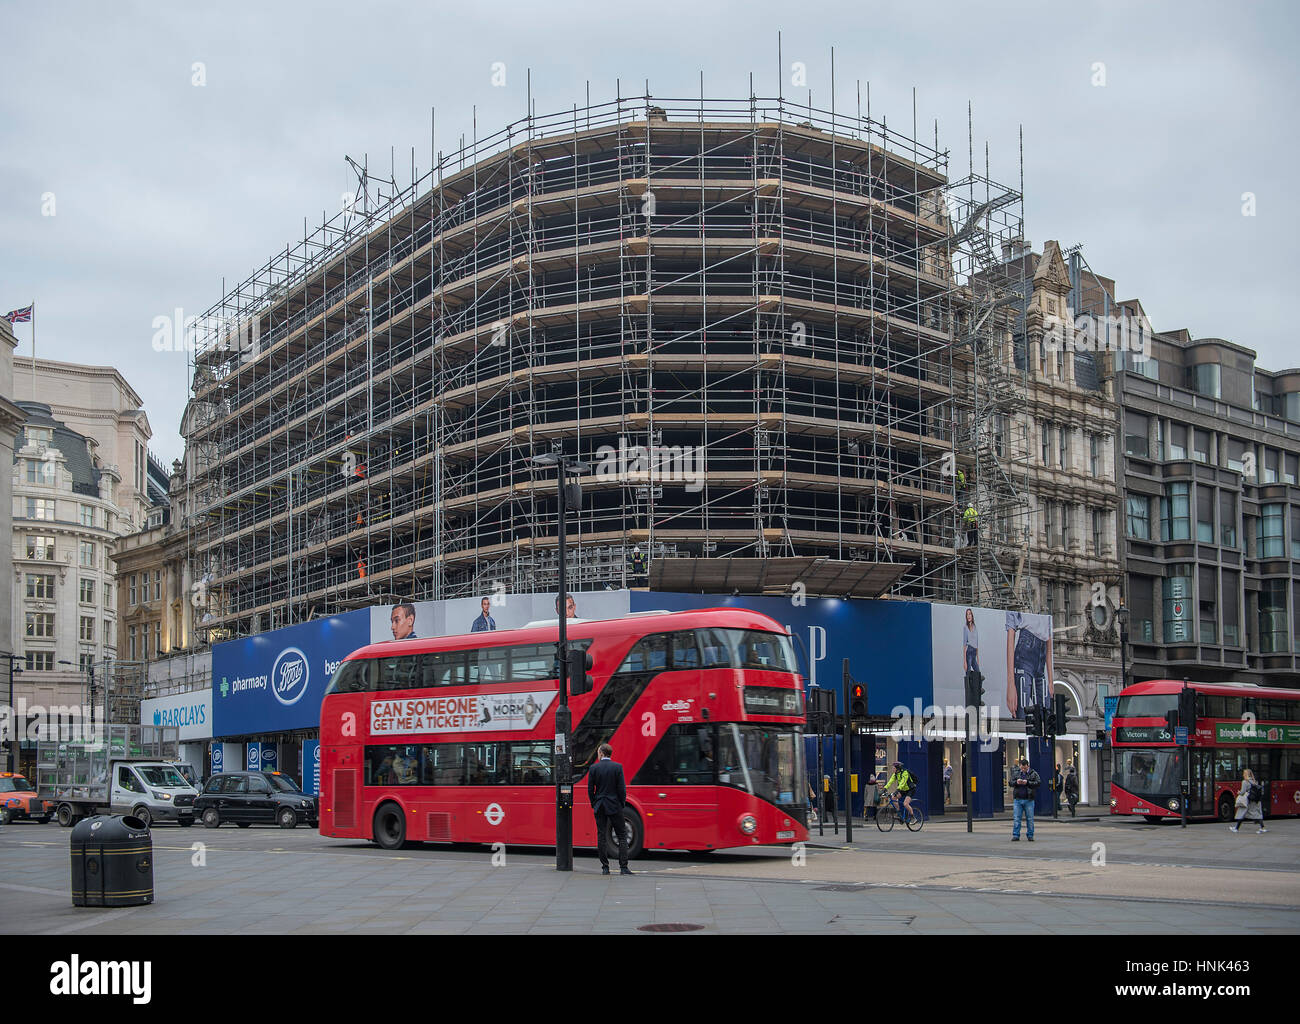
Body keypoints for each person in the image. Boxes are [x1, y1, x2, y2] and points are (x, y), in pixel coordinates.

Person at [588, 743, 632, 874]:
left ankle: (605, 868)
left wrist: (594, 803)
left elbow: (590, 789)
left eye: (597, 752)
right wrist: (621, 804)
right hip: (614, 805)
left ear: (601, 753)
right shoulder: (617, 767)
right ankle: (623, 867)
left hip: (600, 805)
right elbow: (621, 789)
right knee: (622, 836)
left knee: (601, 836)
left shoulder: (594, 768)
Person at [1005, 610, 1053, 720]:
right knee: (1021, 713)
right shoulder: (1017, 609)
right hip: (1025, 652)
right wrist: (1010, 685)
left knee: (1047, 716)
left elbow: (1049, 641)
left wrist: (1050, 681)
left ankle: (1041, 737)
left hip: (1041, 657)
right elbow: (1010, 640)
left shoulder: (1046, 618)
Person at [1010, 757, 1040, 841]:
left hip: (1029, 799)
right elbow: (1010, 782)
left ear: (1028, 766)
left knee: (1030, 818)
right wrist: (1016, 782)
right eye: (1022, 768)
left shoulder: (1033, 773)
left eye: (1025, 768)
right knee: (1016, 818)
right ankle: (1016, 835)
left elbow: (1038, 783)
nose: (1023, 769)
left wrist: (1028, 783)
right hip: (1018, 799)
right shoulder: (1016, 773)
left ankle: (1030, 835)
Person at [1229, 768, 1267, 834]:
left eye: (1244, 773)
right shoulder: (1254, 781)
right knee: (1256, 814)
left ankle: (1236, 828)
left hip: (1249, 800)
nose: (1243, 774)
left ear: (1246, 774)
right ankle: (1262, 828)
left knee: (1243, 813)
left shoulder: (1245, 782)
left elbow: (1243, 792)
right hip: (1255, 800)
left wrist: (1239, 792)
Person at [962, 609, 983, 707]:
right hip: (969, 651)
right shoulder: (965, 628)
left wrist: (978, 658)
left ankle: (976, 694)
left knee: (978, 673)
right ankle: (969, 696)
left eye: (970, 614)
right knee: (968, 674)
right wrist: (964, 661)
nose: (969, 616)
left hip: (974, 652)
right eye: (967, 614)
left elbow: (977, 643)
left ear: (972, 615)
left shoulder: (975, 627)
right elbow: (964, 644)